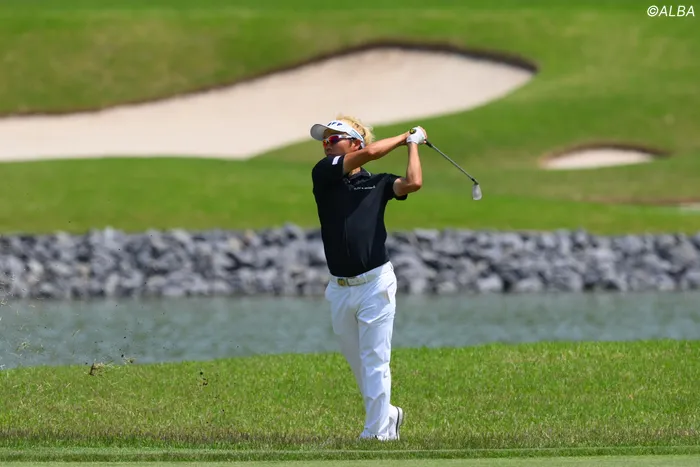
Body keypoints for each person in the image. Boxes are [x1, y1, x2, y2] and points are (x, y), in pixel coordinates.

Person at [309, 115, 427, 441]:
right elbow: (373, 153)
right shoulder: (324, 173)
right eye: (325, 140)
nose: (327, 144)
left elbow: (413, 182)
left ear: (355, 143)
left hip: (376, 283)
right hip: (339, 288)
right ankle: (389, 415)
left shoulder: (378, 183)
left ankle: (375, 435)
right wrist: (406, 135)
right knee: (359, 364)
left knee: (375, 359)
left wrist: (413, 145)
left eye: (334, 139)